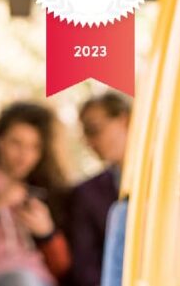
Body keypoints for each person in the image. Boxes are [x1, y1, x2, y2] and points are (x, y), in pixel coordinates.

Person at [0, 102, 72, 286]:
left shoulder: (42, 189)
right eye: (16, 143)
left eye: (34, 147)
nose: (25, 155)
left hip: (38, 278)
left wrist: (47, 234)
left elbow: (63, 269)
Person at [66, 92, 131, 286]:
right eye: (85, 134)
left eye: (94, 130)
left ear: (124, 121)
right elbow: (85, 267)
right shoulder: (85, 194)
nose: (89, 142)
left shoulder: (177, 185)